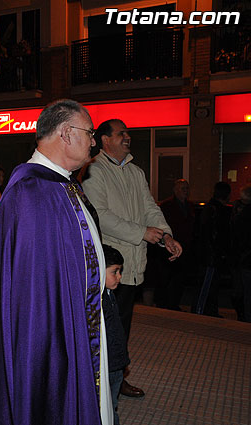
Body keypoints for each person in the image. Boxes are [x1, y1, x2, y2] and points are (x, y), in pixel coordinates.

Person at [0, 99, 113, 425]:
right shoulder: (29, 192)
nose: (94, 141)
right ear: (66, 133)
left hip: (79, 318)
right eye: (89, 133)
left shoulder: (65, 184)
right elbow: (30, 296)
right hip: (49, 334)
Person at [80, 118, 182, 399]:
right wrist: (142, 233)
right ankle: (100, 382)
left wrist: (165, 236)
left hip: (134, 263)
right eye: (120, 133)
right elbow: (100, 216)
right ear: (104, 140)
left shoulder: (135, 171)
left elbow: (150, 207)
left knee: (122, 325)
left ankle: (116, 378)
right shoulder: (95, 171)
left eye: (127, 133)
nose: (127, 137)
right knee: (105, 327)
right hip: (110, 265)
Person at [102, 244, 130, 425]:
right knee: (107, 407)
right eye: (115, 272)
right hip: (106, 365)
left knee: (112, 404)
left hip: (116, 363)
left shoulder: (110, 294)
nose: (119, 277)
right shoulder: (96, 301)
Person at [157, 179, 196, 310]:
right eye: (182, 188)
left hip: (185, 248)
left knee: (180, 278)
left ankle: (174, 303)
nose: (186, 191)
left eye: (187, 188)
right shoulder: (167, 206)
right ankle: (164, 304)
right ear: (175, 190)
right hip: (169, 247)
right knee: (166, 277)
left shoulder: (190, 206)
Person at [196, 181, 232, 316]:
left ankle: (209, 311)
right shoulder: (214, 209)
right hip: (211, 256)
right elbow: (212, 234)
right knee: (207, 284)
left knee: (212, 286)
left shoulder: (213, 208)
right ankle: (200, 311)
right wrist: (217, 252)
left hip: (213, 255)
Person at [231, 184, 251, 322]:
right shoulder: (243, 214)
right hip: (246, 259)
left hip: (245, 259)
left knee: (246, 292)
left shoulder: (241, 214)